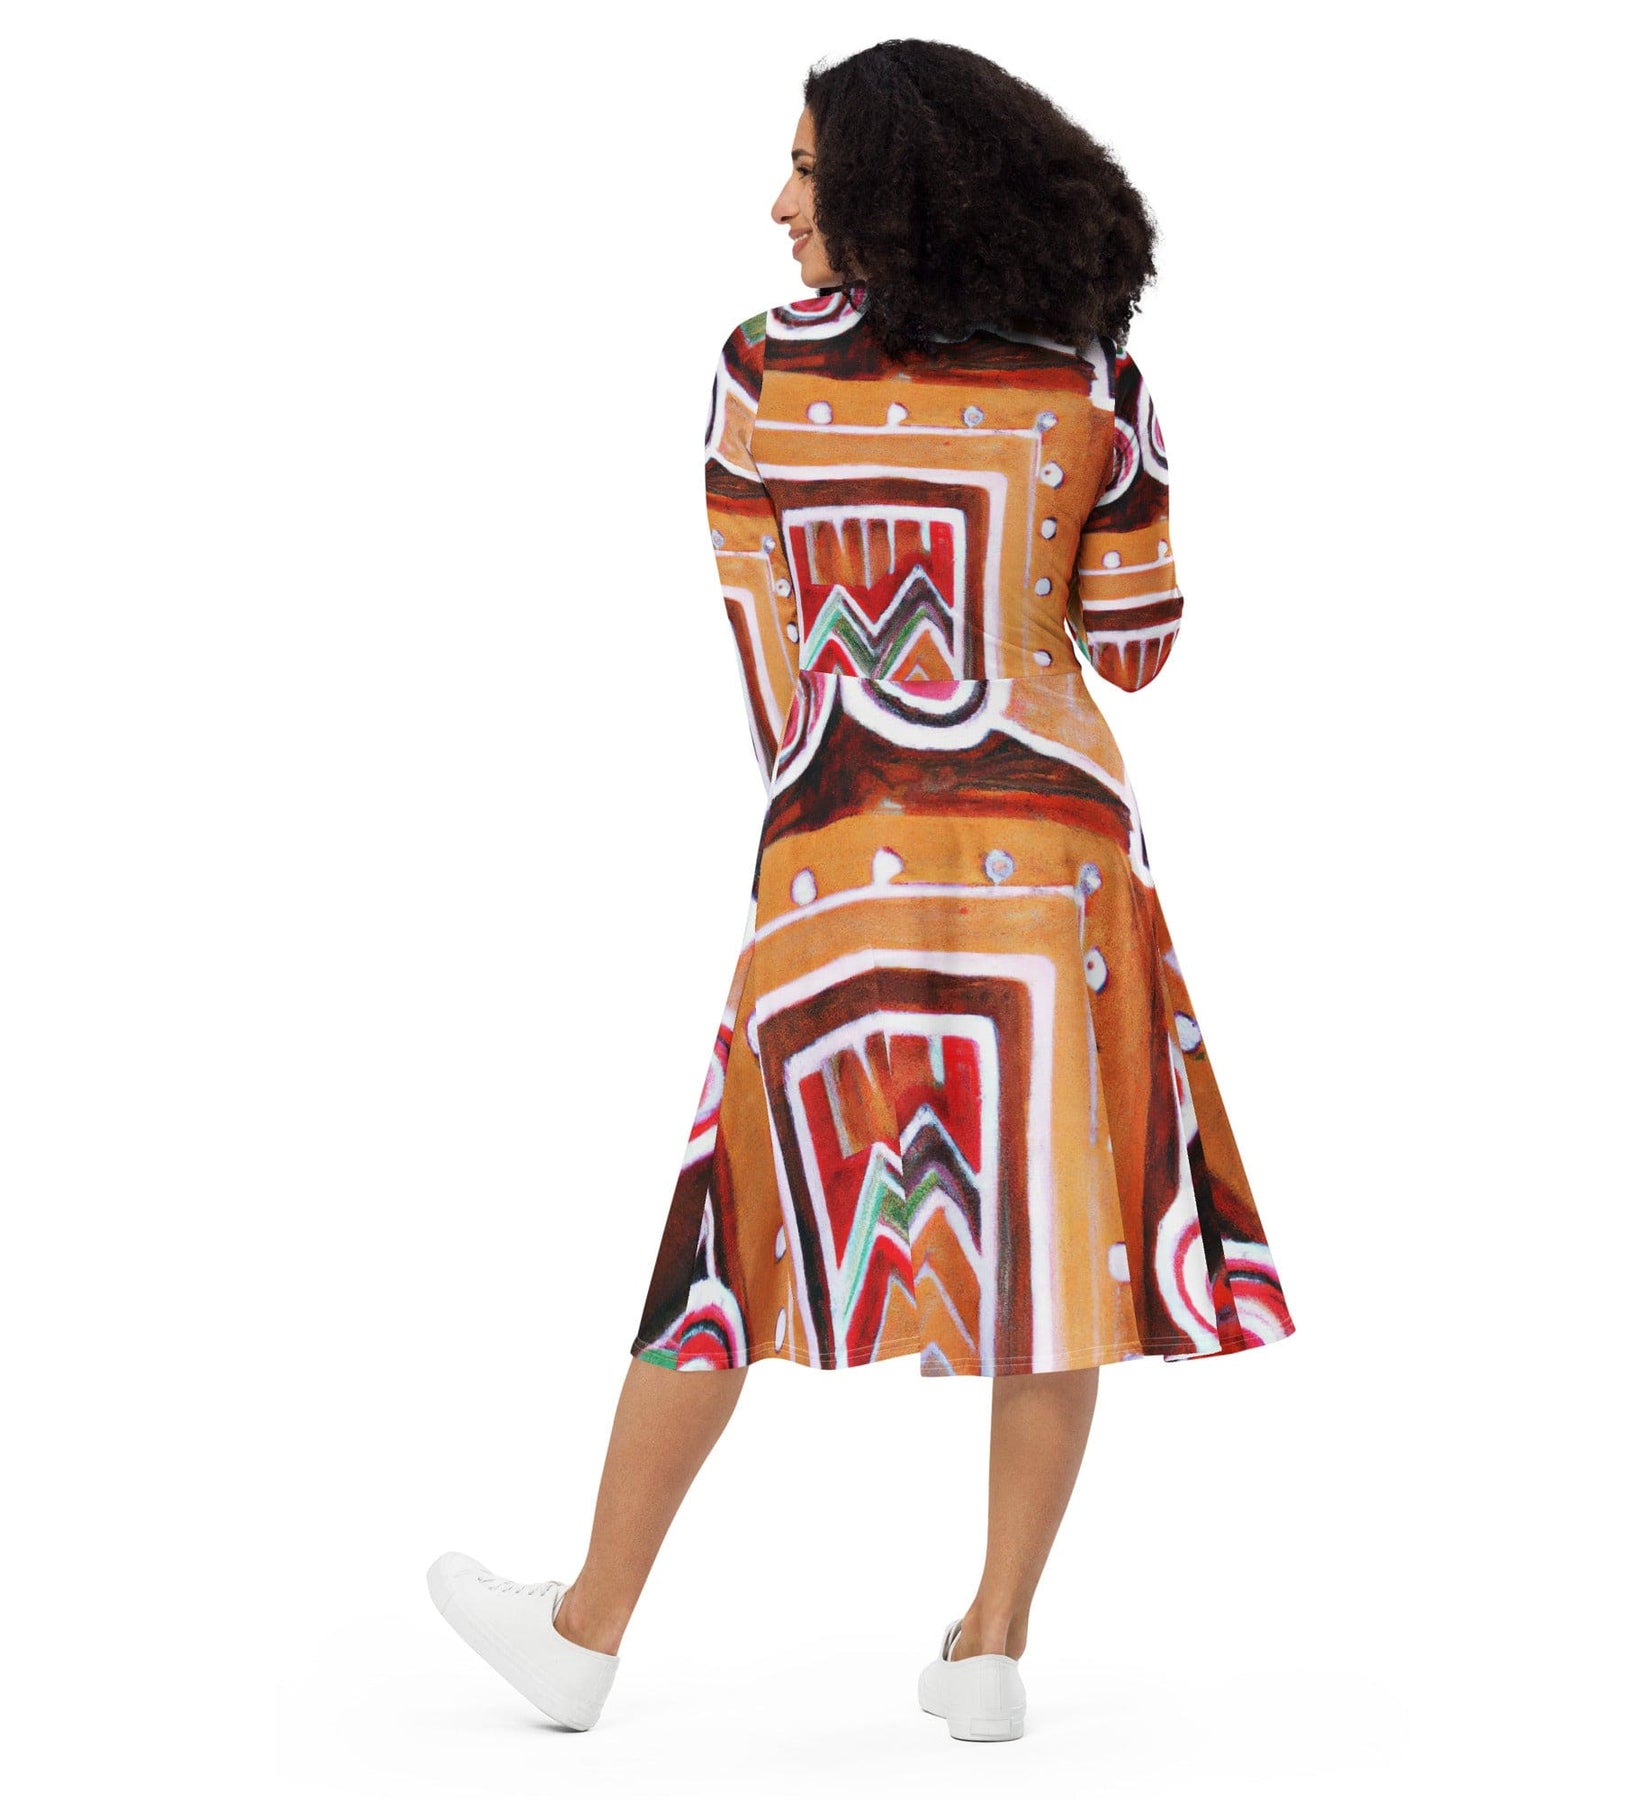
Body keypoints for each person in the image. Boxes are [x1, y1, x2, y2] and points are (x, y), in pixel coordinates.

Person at [426, 37, 1296, 1743]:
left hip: (841, 845)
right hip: (1060, 854)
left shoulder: (761, 371)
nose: (778, 203)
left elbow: (771, 664)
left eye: (808, 172)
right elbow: (1137, 642)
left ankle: (587, 1629)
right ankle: (989, 1646)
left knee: (729, 1232)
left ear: (895, 187)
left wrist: (830, 802)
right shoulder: (1092, 380)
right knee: (1056, 1230)